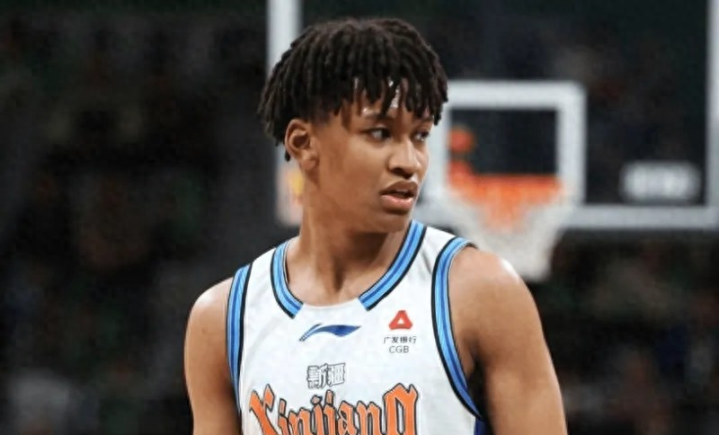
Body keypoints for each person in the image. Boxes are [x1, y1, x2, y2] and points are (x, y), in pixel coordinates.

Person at [184, 17, 567, 435]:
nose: (409, 162)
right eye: (380, 133)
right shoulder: (224, 320)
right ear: (303, 143)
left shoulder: (479, 291)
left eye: (419, 135)